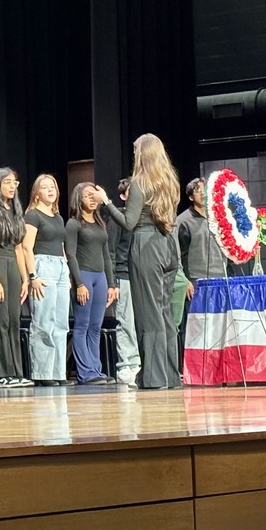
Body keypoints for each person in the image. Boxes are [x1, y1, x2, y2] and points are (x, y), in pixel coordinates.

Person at [97, 133, 183, 390]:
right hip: (167, 245)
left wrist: (108, 203)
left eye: (136, 151)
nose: (134, 155)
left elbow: (128, 222)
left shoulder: (139, 183)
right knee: (165, 313)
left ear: (142, 153)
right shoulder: (169, 181)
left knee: (149, 314)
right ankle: (169, 375)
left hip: (146, 245)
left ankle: (153, 377)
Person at [0, 168, 33, 387]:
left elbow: (20, 249)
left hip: (13, 265)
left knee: (14, 320)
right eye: (8, 182)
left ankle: (16, 371)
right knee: (1, 320)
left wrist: (25, 279)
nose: (12, 186)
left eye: (15, 183)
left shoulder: (15, 210)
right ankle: (2, 373)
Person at [66, 183, 118, 385]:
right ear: (79, 198)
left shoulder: (100, 224)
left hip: (100, 278)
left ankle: (96, 369)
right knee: (82, 325)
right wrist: (79, 283)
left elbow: (106, 256)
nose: (93, 199)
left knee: (96, 326)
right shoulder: (74, 224)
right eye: (88, 195)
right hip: (84, 276)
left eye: (95, 195)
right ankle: (85, 372)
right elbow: (70, 255)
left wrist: (111, 284)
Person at [22, 174, 71, 386]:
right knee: (44, 321)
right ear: (37, 193)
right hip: (43, 265)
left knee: (61, 323)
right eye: (45, 187)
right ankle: (43, 373)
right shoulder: (33, 216)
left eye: (53, 186)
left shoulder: (58, 218)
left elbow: (61, 246)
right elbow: (26, 247)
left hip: (60, 267)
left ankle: (58, 372)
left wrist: (67, 272)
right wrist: (33, 275)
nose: (50, 190)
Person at [105, 178, 141, 388]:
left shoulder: (141, 217)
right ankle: (127, 364)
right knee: (125, 321)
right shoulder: (117, 219)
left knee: (138, 322)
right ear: (124, 196)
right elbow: (110, 250)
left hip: (140, 275)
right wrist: (113, 282)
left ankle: (139, 361)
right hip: (122, 274)